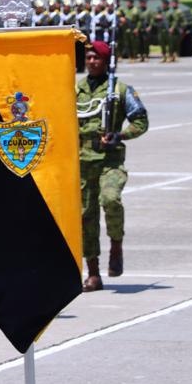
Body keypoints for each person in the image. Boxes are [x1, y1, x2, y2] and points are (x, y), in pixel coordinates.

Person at [77, 40, 148, 292]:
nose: (91, 61)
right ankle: (93, 273)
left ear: (106, 61)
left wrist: (120, 135)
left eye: (96, 57)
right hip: (82, 161)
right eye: (89, 57)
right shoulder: (75, 90)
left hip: (110, 160)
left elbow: (140, 121)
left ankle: (116, 245)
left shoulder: (119, 90)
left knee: (110, 200)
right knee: (85, 216)